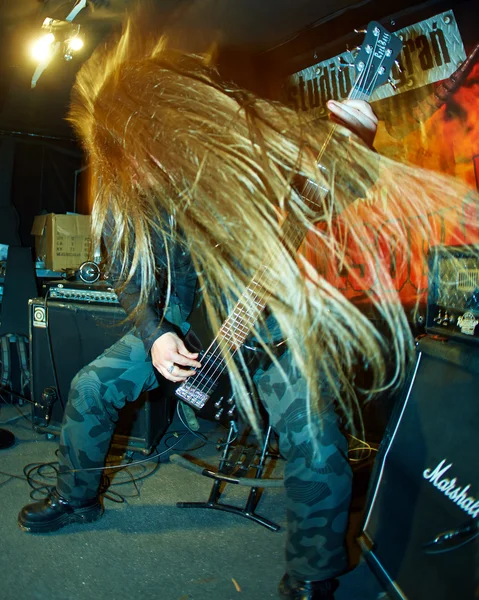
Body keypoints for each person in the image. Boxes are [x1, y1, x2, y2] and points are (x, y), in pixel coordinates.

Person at [18, 24, 474, 600]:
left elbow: (333, 188)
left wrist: (352, 144)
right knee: (89, 387)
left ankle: (312, 577)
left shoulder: (231, 150)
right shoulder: (122, 185)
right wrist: (155, 334)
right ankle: (75, 498)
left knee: (315, 438)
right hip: (184, 319)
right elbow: (124, 276)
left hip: (265, 315)